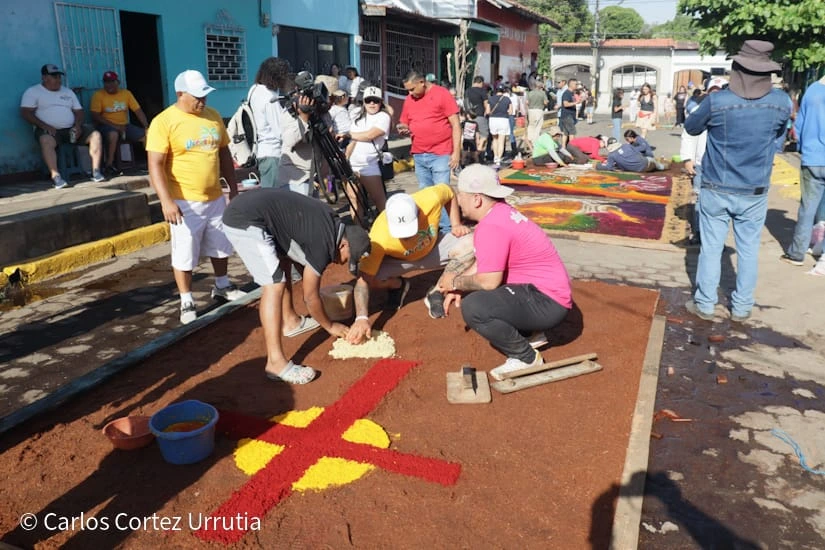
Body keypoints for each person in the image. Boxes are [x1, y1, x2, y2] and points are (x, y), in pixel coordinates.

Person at [684, 40, 790, 323]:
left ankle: (705, 304)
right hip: (755, 188)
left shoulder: (718, 101)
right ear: (768, 71)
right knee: (748, 250)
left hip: (716, 186)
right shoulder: (781, 102)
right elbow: (779, 138)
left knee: (711, 248)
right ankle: (742, 307)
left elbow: (691, 127)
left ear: (737, 68)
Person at [436, 164, 572, 380]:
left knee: (474, 307)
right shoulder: (501, 213)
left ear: (476, 199)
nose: (458, 200)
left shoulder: (491, 226)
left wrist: (454, 282)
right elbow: (485, 265)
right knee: (480, 291)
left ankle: (525, 357)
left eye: (461, 195)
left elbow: (488, 281)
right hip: (545, 293)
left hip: (547, 302)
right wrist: (459, 285)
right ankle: (530, 332)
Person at [222, 189, 371, 383]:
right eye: (348, 259)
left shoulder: (331, 223)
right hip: (244, 219)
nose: (343, 263)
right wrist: (330, 325)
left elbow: (301, 257)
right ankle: (275, 363)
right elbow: (309, 297)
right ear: (344, 245)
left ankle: (291, 322)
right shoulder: (324, 242)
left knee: (284, 259)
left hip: (257, 213)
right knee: (274, 284)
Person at [146, 69, 246, 325]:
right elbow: (155, 164)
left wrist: (233, 189)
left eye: (204, 96)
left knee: (220, 244)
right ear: (180, 94)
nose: (202, 101)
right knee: (185, 252)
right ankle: (186, 300)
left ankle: (222, 285)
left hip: (214, 197)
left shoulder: (213, 116)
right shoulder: (164, 122)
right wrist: (166, 201)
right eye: (197, 97)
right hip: (183, 200)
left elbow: (224, 154)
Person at [347, 185, 473, 344]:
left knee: (473, 243)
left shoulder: (429, 199)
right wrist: (361, 318)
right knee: (366, 275)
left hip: (435, 248)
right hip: (400, 262)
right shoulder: (378, 235)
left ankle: (437, 291)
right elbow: (362, 281)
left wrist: (455, 224)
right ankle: (398, 285)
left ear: (418, 213)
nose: (406, 237)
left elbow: (449, 192)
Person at [20, 63, 105, 188]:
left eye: (59, 77)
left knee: (95, 135)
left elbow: (79, 111)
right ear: (44, 78)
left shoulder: (67, 92)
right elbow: (26, 113)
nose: (58, 80)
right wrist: (44, 126)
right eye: (54, 77)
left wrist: (77, 125)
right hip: (50, 132)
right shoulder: (33, 92)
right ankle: (56, 176)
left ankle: (96, 172)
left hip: (71, 130)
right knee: (46, 140)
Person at [397, 70, 461, 233]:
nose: (410, 93)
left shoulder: (442, 94)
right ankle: (432, 226)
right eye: (407, 90)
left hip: (440, 152)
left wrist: (456, 153)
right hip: (419, 153)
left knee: (442, 192)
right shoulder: (410, 99)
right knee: (426, 194)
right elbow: (404, 121)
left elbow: (455, 124)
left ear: (422, 82)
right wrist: (402, 128)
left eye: (412, 89)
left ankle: (446, 229)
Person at [782, 74, 825, 269]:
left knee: (807, 208)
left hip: (812, 158)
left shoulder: (812, 90)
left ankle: (797, 253)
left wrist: (803, 147)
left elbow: (798, 127)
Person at [679, 76, 728, 245]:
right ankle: (699, 232)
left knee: (720, 202)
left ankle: (716, 236)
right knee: (700, 197)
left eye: (720, 92)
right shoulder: (699, 110)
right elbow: (688, 134)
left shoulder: (732, 112)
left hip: (722, 165)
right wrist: (688, 158)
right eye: (713, 92)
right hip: (702, 162)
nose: (716, 95)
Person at [277, 71, 333, 196]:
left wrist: (322, 110)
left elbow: (327, 135)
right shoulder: (290, 111)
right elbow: (289, 140)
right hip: (295, 178)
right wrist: (303, 117)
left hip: (313, 175)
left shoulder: (320, 111)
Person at [90, 70, 149, 177]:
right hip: (106, 126)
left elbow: (138, 111)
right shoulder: (98, 95)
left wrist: (146, 127)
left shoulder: (126, 94)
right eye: (106, 82)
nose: (109, 85)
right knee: (113, 134)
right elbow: (96, 116)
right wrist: (115, 126)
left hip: (124, 126)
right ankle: (109, 165)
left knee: (147, 136)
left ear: (118, 82)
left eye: (112, 82)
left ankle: (151, 163)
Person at [346, 86, 390, 219]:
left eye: (375, 101)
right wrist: (346, 158)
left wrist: (349, 135)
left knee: (379, 200)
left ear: (381, 102)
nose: (372, 103)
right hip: (353, 165)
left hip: (370, 165)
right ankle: (358, 228)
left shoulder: (383, 117)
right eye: (368, 100)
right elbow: (353, 142)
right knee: (354, 199)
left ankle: (388, 227)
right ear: (363, 102)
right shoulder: (357, 117)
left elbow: (370, 135)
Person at [247, 57, 290, 188]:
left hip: (261, 152)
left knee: (269, 195)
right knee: (274, 197)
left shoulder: (254, 89)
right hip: (273, 155)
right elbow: (280, 132)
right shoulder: (270, 99)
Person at [464, 76, 491, 162]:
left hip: (469, 117)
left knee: (471, 137)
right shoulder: (482, 91)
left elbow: (466, 103)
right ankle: (478, 154)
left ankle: (468, 158)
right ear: (481, 82)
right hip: (480, 116)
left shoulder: (467, 91)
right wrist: (487, 113)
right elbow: (486, 104)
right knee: (484, 136)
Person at [596, 139, 664, 172]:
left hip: (635, 170)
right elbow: (638, 153)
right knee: (650, 158)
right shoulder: (626, 145)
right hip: (645, 164)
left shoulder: (611, 155)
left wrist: (598, 166)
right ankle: (662, 167)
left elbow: (608, 167)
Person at [487, 85, 513, 168]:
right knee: (501, 140)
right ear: (504, 91)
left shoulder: (490, 99)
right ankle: (499, 159)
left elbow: (487, 111)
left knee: (495, 139)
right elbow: (511, 112)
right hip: (503, 120)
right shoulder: (507, 99)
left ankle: (495, 157)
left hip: (493, 120)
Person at [525, 80, 547, 154]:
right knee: (538, 127)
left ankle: (530, 139)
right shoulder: (542, 93)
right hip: (539, 110)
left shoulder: (530, 93)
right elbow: (545, 102)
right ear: (540, 86)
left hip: (531, 110)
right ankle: (535, 143)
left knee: (531, 126)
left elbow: (527, 102)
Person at [559, 77, 580, 147]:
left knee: (565, 133)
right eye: (575, 84)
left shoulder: (571, 93)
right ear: (571, 84)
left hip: (568, 116)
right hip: (567, 116)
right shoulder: (567, 93)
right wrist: (575, 103)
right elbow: (565, 104)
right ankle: (571, 147)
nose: (576, 86)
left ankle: (564, 147)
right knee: (572, 132)